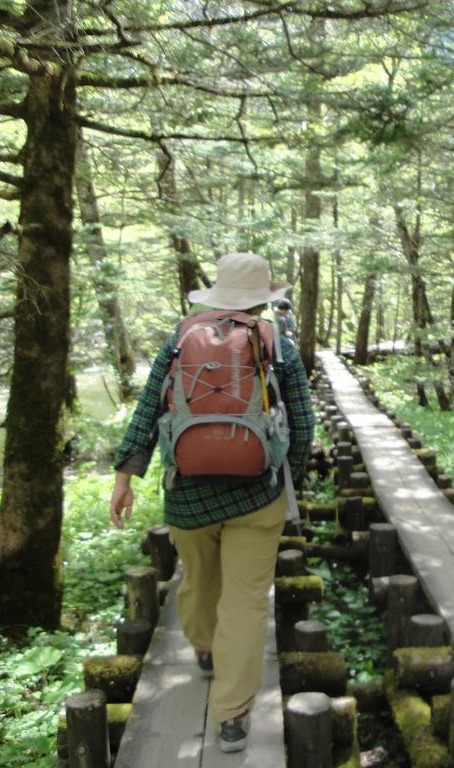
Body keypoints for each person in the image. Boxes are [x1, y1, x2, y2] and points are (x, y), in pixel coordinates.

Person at [109, 252, 314, 753]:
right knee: (244, 605)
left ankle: (203, 648)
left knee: (199, 582)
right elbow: (303, 421)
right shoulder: (275, 342)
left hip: (188, 494)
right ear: (263, 298)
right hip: (256, 494)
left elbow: (149, 406)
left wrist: (125, 475)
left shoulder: (180, 339)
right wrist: (294, 480)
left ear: (217, 294)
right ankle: (232, 717)